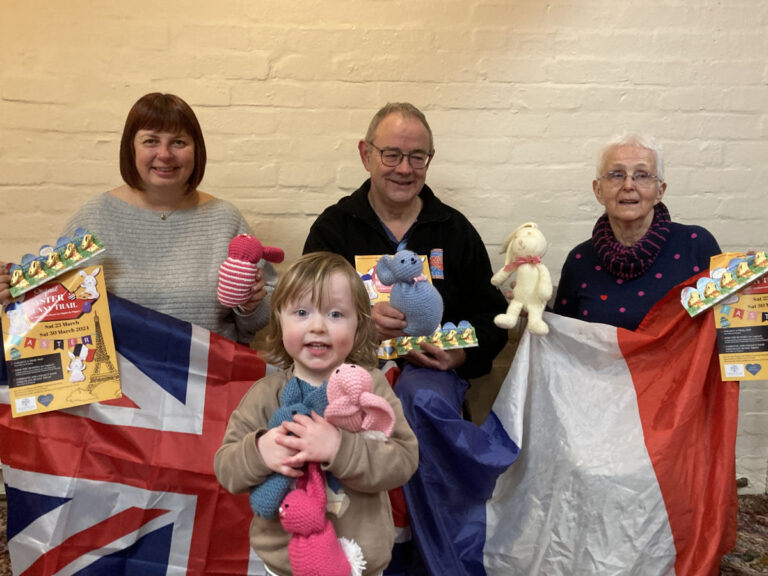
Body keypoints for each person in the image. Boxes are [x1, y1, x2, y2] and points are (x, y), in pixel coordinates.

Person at [303, 103, 518, 575]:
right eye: (392, 154)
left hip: (431, 385)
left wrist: (461, 356)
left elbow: (490, 316)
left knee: (419, 397)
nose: (404, 168)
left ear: (429, 160)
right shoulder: (334, 228)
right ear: (366, 154)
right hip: (348, 381)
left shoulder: (453, 230)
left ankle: (436, 557)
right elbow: (306, 317)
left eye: (417, 157)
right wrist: (359, 324)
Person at [0, 92, 275, 343]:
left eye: (178, 142)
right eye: (151, 141)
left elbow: (265, 320)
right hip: (119, 380)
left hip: (209, 377)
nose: (164, 154)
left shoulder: (225, 219)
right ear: (131, 148)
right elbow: (55, 308)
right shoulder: (94, 217)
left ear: (197, 150)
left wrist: (250, 306)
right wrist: (14, 290)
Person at [214, 251, 418, 576]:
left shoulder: (371, 388)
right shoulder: (265, 395)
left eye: (336, 314)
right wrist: (260, 451)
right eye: (301, 312)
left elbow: (404, 460)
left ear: (359, 324)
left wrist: (339, 448)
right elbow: (226, 468)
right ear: (279, 321)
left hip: (360, 561)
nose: (318, 327)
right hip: (284, 564)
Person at [553, 133, 721, 330]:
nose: (628, 185)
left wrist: (748, 288)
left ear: (660, 191)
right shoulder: (579, 261)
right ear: (598, 190)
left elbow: (725, 324)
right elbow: (563, 339)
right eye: (616, 175)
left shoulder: (696, 245)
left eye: (642, 175)